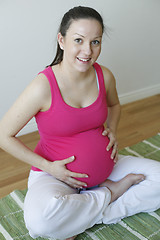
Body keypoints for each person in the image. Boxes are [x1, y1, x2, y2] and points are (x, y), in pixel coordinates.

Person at [0, 6, 160, 240]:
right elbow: (4, 135)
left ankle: (87, 214)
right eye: (78, 40)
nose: (88, 50)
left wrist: (113, 129)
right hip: (55, 176)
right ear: (61, 40)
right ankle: (109, 194)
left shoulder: (103, 76)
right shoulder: (42, 86)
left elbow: (115, 106)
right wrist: (49, 167)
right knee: (40, 222)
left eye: (95, 42)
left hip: (108, 168)